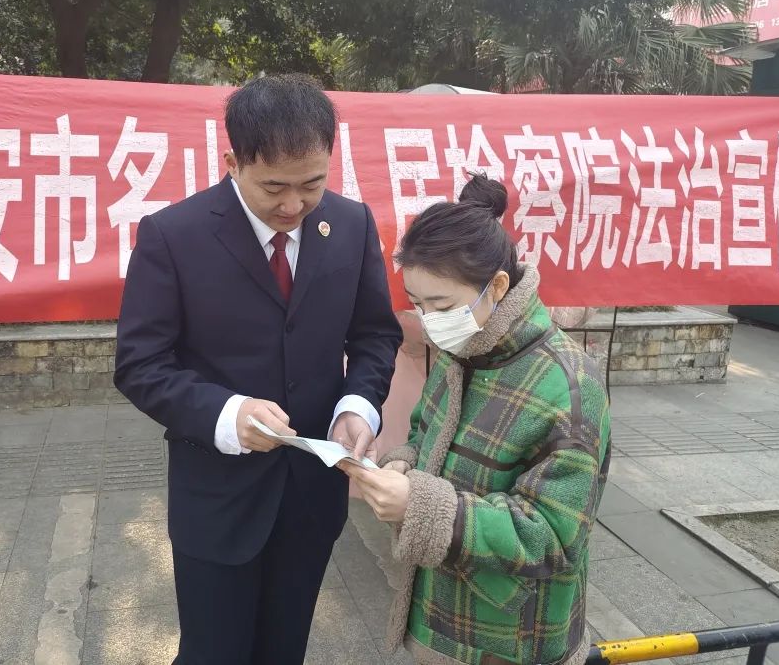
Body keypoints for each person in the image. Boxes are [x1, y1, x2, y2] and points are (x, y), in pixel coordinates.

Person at [114, 74, 403, 665]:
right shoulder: (174, 236)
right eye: (274, 187)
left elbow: (375, 335)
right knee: (213, 652)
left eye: (312, 184)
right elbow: (140, 364)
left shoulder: (351, 225)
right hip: (217, 497)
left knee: (284, 648)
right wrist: (228, 413)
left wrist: (357, 406)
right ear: (233, 162)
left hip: (311, 495)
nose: (293, 206)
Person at [340, 174, 611, 665]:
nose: (429, 321)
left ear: (498, 286)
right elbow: (425, 429)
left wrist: (419, 505)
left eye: (442, 305)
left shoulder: (569, 385)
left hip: (511, 637)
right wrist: (403, 464)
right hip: (438, 612)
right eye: (418, 305)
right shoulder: (463, 347)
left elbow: (554, 537)